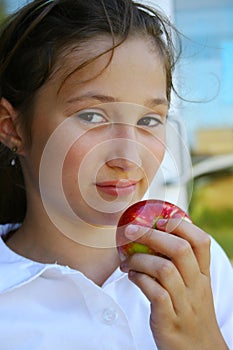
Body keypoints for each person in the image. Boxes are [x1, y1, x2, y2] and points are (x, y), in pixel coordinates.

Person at [0, 0, 232, 349]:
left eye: (149, 121)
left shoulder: (199, 267)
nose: (128, 157)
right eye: (92, 116)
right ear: (12, 128)